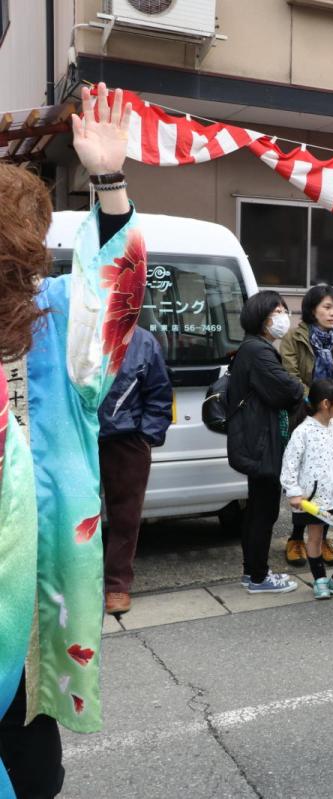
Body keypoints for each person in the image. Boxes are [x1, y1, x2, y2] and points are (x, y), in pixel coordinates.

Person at [0, 83, 145, 797]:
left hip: (28, 579)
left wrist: (110, 180)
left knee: (27, 747)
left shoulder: (53, 321)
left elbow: (109, 289)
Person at [225, 290, 305, 595]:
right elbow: (287, 390)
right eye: (277, 311)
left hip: (256, 440)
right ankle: (258, 576)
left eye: (285, 309)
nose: (283, 316)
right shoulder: (258, 351)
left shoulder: (251, 348)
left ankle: (252, 573)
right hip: (262, 443)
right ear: (261, 315)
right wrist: (297, 386)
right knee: (264, 511)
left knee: (258, 508)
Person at [280, 284, 333, 568]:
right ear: (312, 308)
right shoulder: (294, 338)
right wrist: (317, 404)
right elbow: (290, 376)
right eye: (327, 307)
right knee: (305, 476)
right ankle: (295, 537)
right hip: (305, 415)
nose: (332, 313)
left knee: (329, 477)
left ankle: (322, 537)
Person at [98, 325, 173, 615]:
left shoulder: (142, 340)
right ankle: (78, 584)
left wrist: (146, 436)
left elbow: (159, 393)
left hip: (128, 439)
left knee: (126, 515)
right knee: (77, 514)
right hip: (80, 436)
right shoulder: (77, 330)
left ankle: (117, 584)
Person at [281, 379, 333, 600]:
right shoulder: (303, 431)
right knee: (315, 536)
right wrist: (293, 491)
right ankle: (319, 580)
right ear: (327, 403)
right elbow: (290, 463)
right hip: (314, 497)